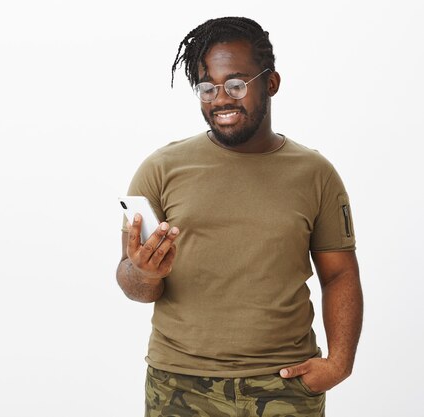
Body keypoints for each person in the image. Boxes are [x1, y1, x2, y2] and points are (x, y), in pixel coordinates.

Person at [116, 17, 363, 417]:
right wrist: (144, 273)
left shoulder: (316, 174)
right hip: (179, 383)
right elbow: (133, 284)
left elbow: (339, 274)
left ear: (271, 83)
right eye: (207, 88)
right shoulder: (160, 169)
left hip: (285, 382)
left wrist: (339, 364)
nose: (220, 99)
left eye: (235, 84)